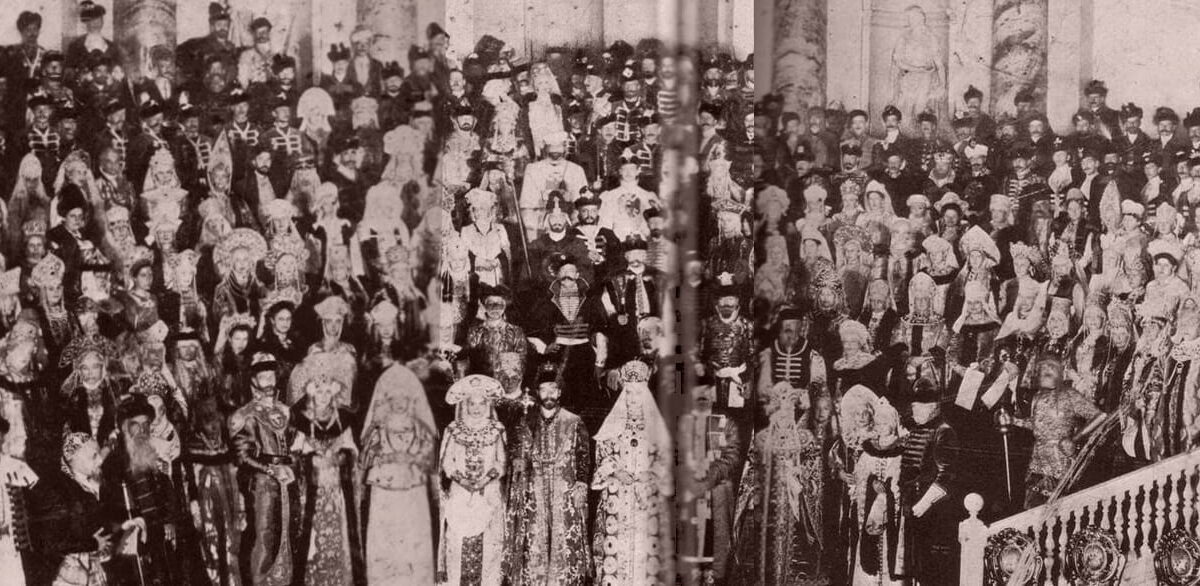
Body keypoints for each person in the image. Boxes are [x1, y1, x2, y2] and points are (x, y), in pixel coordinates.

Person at [504, 370, 592, 586]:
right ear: (538, 393)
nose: (549, 394)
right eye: (544, 389)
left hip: (565, 488)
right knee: (535, 536)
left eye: (553, 389)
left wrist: (580, 485)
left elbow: (583, 456)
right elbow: (518, 456)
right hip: (535, 488)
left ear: (560, 392)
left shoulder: (573, 421)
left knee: (564, 535)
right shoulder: (528, 421)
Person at [359, 349, 438, 584]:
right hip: (385, 490)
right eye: (394, 398)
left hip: (412, 488)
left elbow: (429, 454)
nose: (400, 403)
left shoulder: (420, 428)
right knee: (386, 535)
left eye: (404, 398)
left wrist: (413, 459)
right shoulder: (378, 429)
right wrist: (379, 455)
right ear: (387, 400)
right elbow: (364, 458)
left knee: (412, 533)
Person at [592, 360, 673, 585]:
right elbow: (603, 455)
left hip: (647, 498)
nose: (633, 399)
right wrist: (616, 472)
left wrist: (652, 473)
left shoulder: (656, 429)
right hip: (618, 498)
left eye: (638, 394)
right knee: (616, 547)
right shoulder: (612, 427)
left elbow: (666, 459)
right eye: (629, 394)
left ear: (645, 395)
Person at [230, 353, 299, 586]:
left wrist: (292, 465)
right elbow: (242, 457)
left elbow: (295, 445)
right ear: (254, 381)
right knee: (264, 537)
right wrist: (271, 470)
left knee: (288, 533)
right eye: (263, 376)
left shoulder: (285, 411)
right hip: (262, 487)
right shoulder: (245, 415)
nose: (268, 381)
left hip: (287, 483)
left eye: (271, 375)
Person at [436, 374, 507, 586]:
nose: (476, 408)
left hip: (488, 494)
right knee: (456, 543)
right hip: (461, 494)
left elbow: (501, 463)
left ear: (488, 404)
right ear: (464, 404)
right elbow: (447, 463)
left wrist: (484, 480)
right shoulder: (454, 429)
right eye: (471, 403)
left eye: (481, 403)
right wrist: (464, 481)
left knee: (490, 544)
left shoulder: (496, 429)